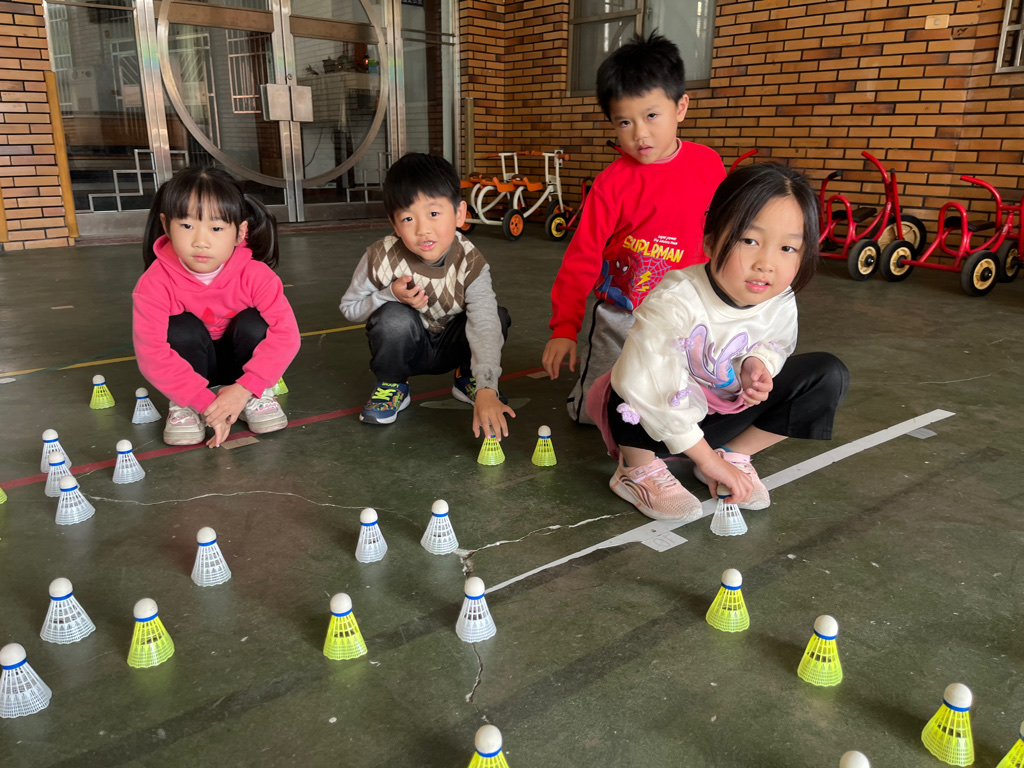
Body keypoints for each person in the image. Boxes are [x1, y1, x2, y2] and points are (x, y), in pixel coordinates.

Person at [587, 163, 850, 522]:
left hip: (719, 411)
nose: (766, 263)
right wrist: (708, 463)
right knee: (636, 378)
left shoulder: (780, 298)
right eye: (749, 240)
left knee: (828, 374)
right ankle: (636, 470)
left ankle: (733, 452)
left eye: (788, 247)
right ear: (710, 241)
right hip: (652, 427)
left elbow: (776, 342)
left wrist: (757, 364)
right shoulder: (675, 298)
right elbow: (647, 385)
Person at [542, 32, 726, 424]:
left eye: (651, 116)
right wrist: (564, 327)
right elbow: (582, 257)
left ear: (681, 107)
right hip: (621, 314)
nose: (639, 134)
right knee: (598, 412)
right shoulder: (611, 183)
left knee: (677, 402)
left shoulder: (709, 165)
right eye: (624, 122)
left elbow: (722, 236)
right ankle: (591, 404)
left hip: (687, 313)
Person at [340, 153, 515, 440]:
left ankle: (467, 379)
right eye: (408, 218)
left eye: (434, 213)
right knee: (392, 317)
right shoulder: (379, 257)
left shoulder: (471, 261)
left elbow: (483, 322)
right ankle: (393, 385)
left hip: (453, 346)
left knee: (495, 315)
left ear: (459, 214)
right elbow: (350, 308)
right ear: (394, 224)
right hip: (410, 348)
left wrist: (487, 386)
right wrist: (389, 295)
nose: (423, 229)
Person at [133, 166, 300, 448]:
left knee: (255, 322)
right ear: (166, 225)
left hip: (240, 370)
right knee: (180, 329)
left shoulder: (257, 276)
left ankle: (256, 397)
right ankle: (184, 405)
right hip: (195, 371)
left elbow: (287, 335)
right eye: (187, 226)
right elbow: (152, 353)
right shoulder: (154, 283)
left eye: (216, 228)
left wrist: (246, 388)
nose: (201, 241)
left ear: (240, 232)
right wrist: (204, 403)